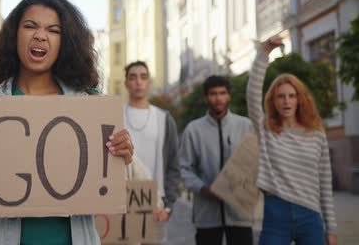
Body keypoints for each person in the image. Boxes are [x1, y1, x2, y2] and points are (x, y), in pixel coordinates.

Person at [0, 0, 135, 244]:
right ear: (14, 35)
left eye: (53, 30)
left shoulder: (90, 106)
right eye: (30, 26)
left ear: (65, 42)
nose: (40, 35)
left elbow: (105, 186)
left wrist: (120, 156)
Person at [247, 36, 337, 245]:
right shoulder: (267, 130)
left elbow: (324, 183)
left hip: (310, 216)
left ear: (299, 99)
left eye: (291, 95)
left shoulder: (316, 134)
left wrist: (331, 228)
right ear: (273, 101)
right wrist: (264, 53)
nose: (286, 101)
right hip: (276, 214)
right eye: (280, 96)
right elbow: (252, 94)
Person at [180, 76, 254, 245]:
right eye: (213, 94)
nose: (218, 98)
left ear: (229, 96)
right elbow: (184, 168)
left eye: (222, 93)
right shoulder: (194, 130)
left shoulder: (245, 126)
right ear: (206, 97)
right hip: (206, 214)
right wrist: (203, 188)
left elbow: (253, 163)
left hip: (239, 212)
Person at [123, 61, 181, 242]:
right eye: (133, 77)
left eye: (143, 77)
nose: (138, 82)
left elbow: (173, 164)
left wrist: (168, 205)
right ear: (126, 83)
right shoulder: (115, 115)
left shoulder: (164, 118)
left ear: (149, 83)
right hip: (122, 202)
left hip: (156, 203)